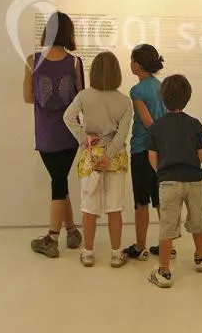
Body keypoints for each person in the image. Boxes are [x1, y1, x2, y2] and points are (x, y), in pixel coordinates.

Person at [23, 11, 84, 258]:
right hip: (71, 133)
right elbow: (82, 98)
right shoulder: (75, 62)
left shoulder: (32, 60)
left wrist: (45, 101)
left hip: (46, 133)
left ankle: (52, 238)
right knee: (60, 180)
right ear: (69, 33)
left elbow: (28, 97)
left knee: (58, 181)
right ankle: (72, 231)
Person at [64, 51, 133, 268]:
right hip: (115, 158)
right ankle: (116, 254)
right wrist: (109, 154)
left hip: (91, 157)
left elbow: (68, 117)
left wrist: (84, 139)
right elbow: (122, 135)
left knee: (89, 207)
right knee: (115, 207)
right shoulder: (125, 101)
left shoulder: (84, 96)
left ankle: (88, 253)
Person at [147, 74, 202, 288]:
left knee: (167, 226)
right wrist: (192, 167)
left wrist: (162, 173)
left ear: (163, 98)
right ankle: (200, 256)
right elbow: (200, 153)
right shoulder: (194, 124)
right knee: (197, 219)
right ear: (188, 97)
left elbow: (152, 156)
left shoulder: (157, 126)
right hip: (194, 180)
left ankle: (164, 271)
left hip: (168, 182)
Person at [123, 44, 168, 261]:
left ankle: (140, 247)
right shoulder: (162, 87)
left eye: (132, 60)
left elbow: (148, 122)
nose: (130, 64)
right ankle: (167, 245)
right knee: (160, 199)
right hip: (162, 150)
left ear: (138, 65)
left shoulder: (137, 91)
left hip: (142, 149)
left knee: (141, 201)